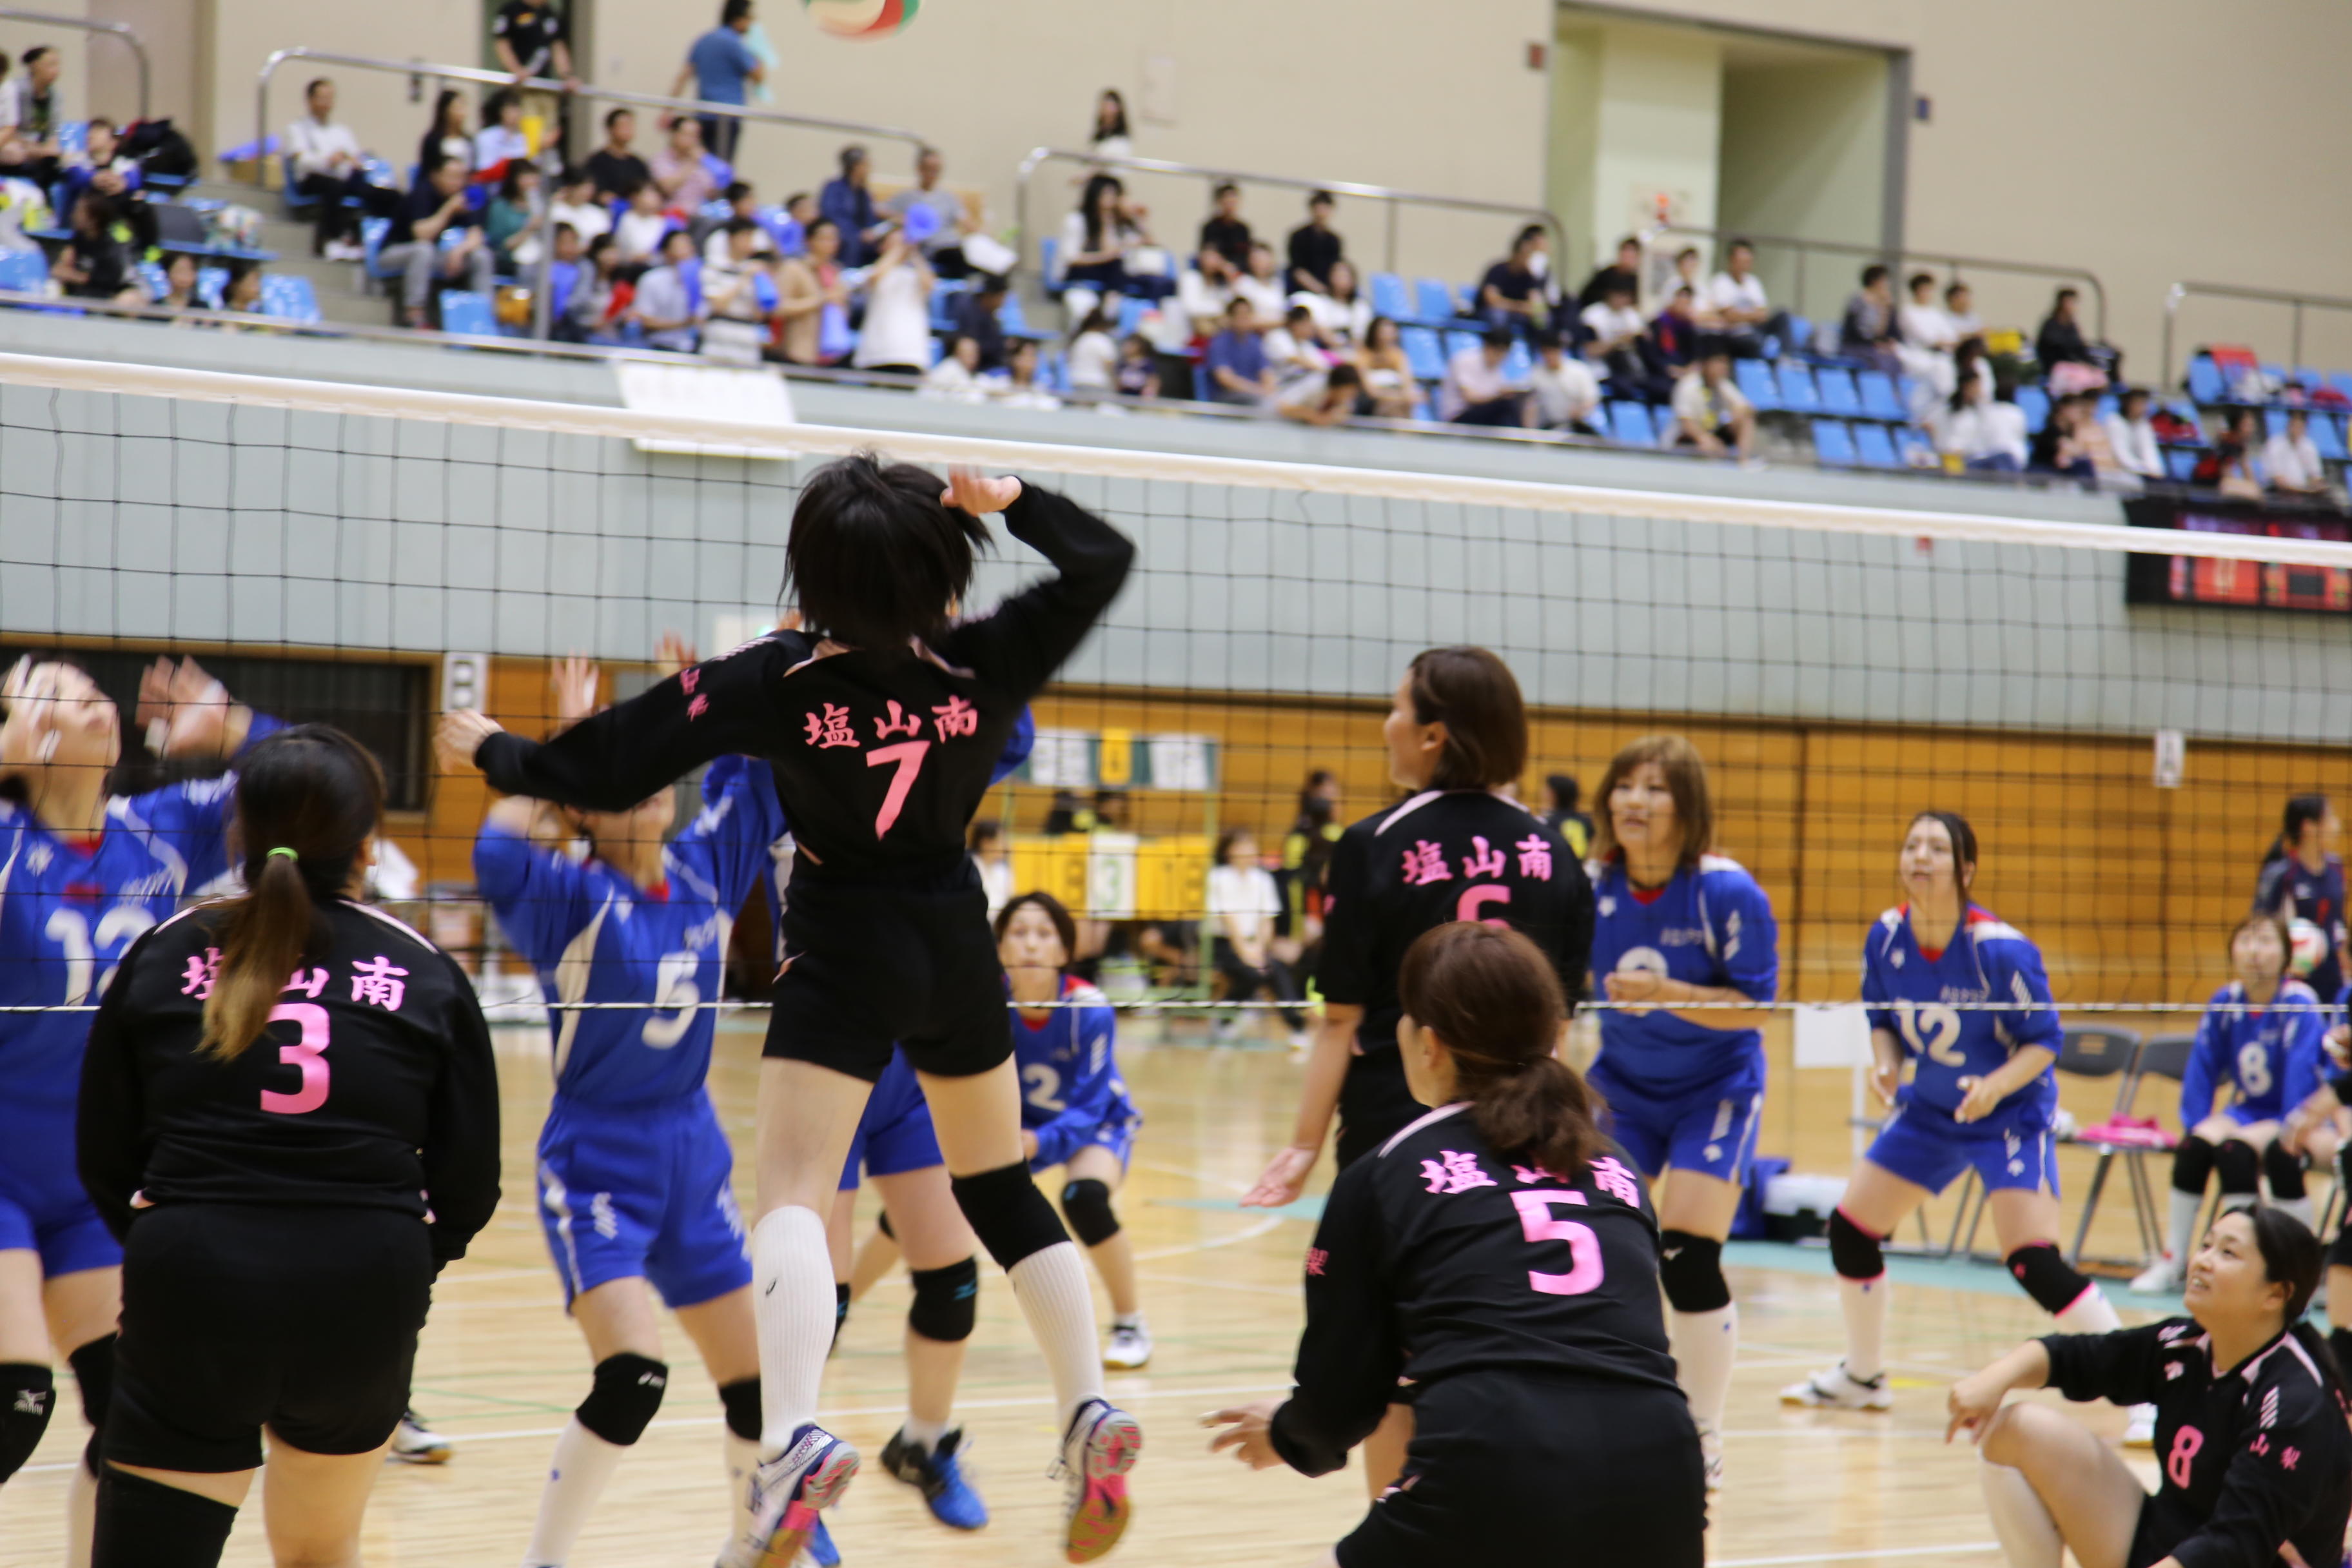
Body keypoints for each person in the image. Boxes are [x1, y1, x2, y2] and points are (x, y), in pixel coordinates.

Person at [436, 458, 1141, 1567]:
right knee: (1000, 1185)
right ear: (944, 567)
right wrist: (1011, 499)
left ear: (811, 576)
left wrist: (497, 752)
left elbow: (610, 770)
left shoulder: (776, 679)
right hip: (955, 940)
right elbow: (1103, 560)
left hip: (844, 946)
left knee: (797, 1195)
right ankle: (1087, 1406)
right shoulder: (985, 656)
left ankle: (796, 1438)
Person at [74, 724, 500, 1568]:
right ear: (368, 844)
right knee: (319, 1549)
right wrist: (403, 1257)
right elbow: (470, 1182)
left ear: (237, 833)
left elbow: (102, 1152)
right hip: (364, 1287)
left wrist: (174, 1235)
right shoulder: (424, 971)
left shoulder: (166, 951)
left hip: (195, 1274)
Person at [1206, 922, 1705, 1567]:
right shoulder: (1618, 1169)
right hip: (1665, 1476)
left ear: (1429, 1044)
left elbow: (1342, 1394)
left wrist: (1289, 1434)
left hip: (1494, 1466)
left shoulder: (1385, 1172)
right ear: (1551, 1038)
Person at [1242, 646, 1596, 1498]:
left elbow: (1341, 1019)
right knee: (1504, 1340)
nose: (1387, 724)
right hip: (1525, 1128)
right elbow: (1556, 1031)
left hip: (1397, 1129)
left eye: (1398, 708)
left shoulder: (1372, 845)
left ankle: (1398, 1529)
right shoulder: (1557, 854)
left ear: (1434, 735)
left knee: (1395, 1366)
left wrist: (1302, 1143)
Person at [455, 654, 770, 1568]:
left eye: (653, 766)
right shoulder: (571, 898)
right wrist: (558, 751)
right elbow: (496, 853)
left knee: (759, 1387)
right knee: (633, 1379)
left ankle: (750, 1547)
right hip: (599, 1156)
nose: (649, 782)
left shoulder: (709, 867)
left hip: (693, 1151)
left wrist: (717, 697)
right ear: (585, 809)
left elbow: (759, 778)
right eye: (619, 776)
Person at [0, 656, 281, 1559]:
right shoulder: (5, 845)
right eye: (60, 696)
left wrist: (229, 724)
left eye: (94, 692)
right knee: (14, 1401)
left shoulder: (158, 832)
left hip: (89, 1178)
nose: (94, 704)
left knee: (133, 1413)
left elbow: (310, 787)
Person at [1783, 813, 2154, 1446]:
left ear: (1966, 870)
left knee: (2032, 1260)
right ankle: (1864, 1376)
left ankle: (2144, 1387)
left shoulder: (2000, 949)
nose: (1920, 856)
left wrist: (1994, 1087)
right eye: (1912, 845)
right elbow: (1882, 1018)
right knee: (1851, 1230)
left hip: (2008, 1114)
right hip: (1930, 1111)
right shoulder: (1886, 936)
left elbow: (2044, 1041)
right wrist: (1886, 1065)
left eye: (1937, 847)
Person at [1582, 733, 1778, 1487]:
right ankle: (1599, 1404)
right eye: (1625, 784)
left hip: (1714, 1089)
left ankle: (1701, 1430)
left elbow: (1756, 1008)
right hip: (1622, 1087)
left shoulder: (1727, 891)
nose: (1635, 800)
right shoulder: (1591, 886)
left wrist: (1669, 994)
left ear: (1687, 805)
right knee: (1592, 1240)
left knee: (1688, 1256)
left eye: (1655, 787)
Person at [1950, 1207, 2349, 1568]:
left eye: (2228, 1253)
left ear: (2276, 1294)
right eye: (2206, 1245)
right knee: (2016, 1430)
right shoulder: (2185, 1344)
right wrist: (1992, 1380)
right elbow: (2078, 1356)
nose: (2203, 1261)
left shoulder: (2295, 1402)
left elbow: (2236, 1542)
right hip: (2165, 1544)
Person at [827, 1048, 991, 1533]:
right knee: (818, 1302)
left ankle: (920, 1446)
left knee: (952, 1282)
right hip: (826, 1062)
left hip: (913, 1069)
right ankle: (783, 1474)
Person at [2130, 914, 2328, 1300]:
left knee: (2235, 1151)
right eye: (2246, 941)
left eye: (2266, 941)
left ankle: (2254, 1265)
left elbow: (2303, 1075)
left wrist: (2290, 1128)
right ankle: (2173, 1261)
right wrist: (2195, 1122)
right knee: (2194, 1147)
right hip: (2247, 1109)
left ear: (2286, 954)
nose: (2255, 952)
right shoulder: (2226, 1001)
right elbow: (2202, 1067)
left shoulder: (2299, 1002)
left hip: (2290, 1112)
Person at [1205, 831, 1308, 1046]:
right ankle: (1225, 1019)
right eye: (1243, 846)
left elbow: (1267, 920)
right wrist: (1245, 953)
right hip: (1224, 944)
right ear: (1229, 851)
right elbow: (1229, 920)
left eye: (1251, 846)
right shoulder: (1218, 877)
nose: (1249, 851)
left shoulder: (1262, 879)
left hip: (1256, 944)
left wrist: (1259, 950)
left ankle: (1297, 1027)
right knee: (1252, 974)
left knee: (1275, 969)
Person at [382, 153, 493, 329]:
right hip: (394, 253)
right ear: (436, 176)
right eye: (452, 177)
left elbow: (476, 236)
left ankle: (484, 315)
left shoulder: (467, 197)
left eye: (461, 177)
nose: (457, 182)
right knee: (423, 250)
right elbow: (422, 235)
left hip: (440, 256)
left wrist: (459, 251)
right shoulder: (422, 193)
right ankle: (414, 314)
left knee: (481, 256)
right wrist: (448, 209)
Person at [2254, 794, 2344, 1008]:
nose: (2337, 825)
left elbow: (2338, 921)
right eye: (2329, 818)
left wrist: (2344, 956)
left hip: (2331, 973)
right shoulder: (2281, 874)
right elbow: (2260, 922)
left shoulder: (2336, 867)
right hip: (2292, 973)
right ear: (2309, 827)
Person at [284, 79, 377, 259]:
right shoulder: (297, 129)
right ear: (310, 100)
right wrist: (328, 161)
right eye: (322, 98)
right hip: (312, 180)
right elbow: (302, 161)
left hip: (341, 178)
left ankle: (369, 242)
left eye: (330, 98)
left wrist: (349, 162)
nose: (326, 103)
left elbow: (354, 159)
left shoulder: (342, 131)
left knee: (377, 193)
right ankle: (332, 240)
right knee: (333, 187)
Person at [675, 0, 765, 164]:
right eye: (749, 19)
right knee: (720, 169)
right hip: (726, 118)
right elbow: (758, 77)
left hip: (702, 116)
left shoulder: (704, 40)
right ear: (739, 19)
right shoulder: (734, 44)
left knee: (701, 166)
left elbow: (684, 76)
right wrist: (759, 48)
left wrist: (668, 109)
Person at [491, 0, 578, 161]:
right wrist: (516, 70)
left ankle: (544, 168)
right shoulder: (511, 11)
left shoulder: (550, 14)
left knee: (549, 136)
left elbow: (557, 46)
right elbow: (502, 43)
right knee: (528, 135)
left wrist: (567, 76)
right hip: (522, 89)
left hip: (544, 88)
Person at [850, 227, 934, 375]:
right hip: (876, 351)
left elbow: (930, 284)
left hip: (910, 353)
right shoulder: (871, 270)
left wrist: (914, 254)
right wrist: (896, 251)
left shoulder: (914, 275)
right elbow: (874, 278)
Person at [1059, 172, 1141, 325]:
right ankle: (1109, 314)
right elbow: (1071, 257)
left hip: (1108, 272)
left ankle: (1112, 309)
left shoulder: (1116, 223)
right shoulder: (1077, 220)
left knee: (1154, 282)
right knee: (1115, 265)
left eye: (1115, 195)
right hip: (1080, 270)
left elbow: (1133, 244)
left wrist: (1129, 218)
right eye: (1107, 194)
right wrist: (1106, 256)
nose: (1111, 199)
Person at [884, 146, 971, 279]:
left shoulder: (949, 198)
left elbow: (966, 221)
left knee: (969, 254)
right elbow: (881, 211)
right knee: (955, 258)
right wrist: (902, 219)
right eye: (929, 169)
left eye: (937, 170)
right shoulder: (906, 198)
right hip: (928, 248)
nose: (933, 174)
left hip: (953, 246)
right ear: (919, 169)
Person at [773, 216, 850, 366]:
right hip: (798, 351)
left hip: (829, 355)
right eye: (825, 239)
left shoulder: (835, 272)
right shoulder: (794, 268)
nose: (831, 244)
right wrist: (820, 300)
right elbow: (778, 307)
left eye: (834, 239)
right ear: (809, 241)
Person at [702, 220, 778, 366]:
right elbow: (718, 306)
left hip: (748, 333)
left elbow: (761, 313)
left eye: (751, 237)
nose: (749, 242)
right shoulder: (714, 266)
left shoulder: (757, 270)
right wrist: (744, 278)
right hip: (721, 332)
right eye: (745, 236)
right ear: (731, 238)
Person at [50, 193, 140, 304]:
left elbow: (105, 282)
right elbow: (59, 269)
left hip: (109, 298)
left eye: (79, 211)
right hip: (81, 295)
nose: (73, 215)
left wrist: (73, 275)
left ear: (94, 220)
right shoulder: (79, 238)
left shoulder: (111, 249)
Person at [1671, 346, 1756, 462]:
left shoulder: (1722, 385)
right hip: (1687, 439)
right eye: (1719, 362)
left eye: (1726, 363)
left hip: (1712, 433)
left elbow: (1747, 407)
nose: (1724, 367)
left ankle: (1744, 460)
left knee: (1746, 419)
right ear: (1706, 364)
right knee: (1706, 446)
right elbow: (1686, 423)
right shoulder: (1689, 385)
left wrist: (1738, 412)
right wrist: (1705, 439)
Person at [630, 227, 703, 353]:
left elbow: (702, 317)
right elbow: (645, 320)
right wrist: (682, 324)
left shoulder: (700, 279)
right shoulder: (652, 279)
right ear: (666, 251)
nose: (686, 250)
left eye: (688, 245)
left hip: (690, 346)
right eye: (680, 246)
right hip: (656, 345)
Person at [1943, 373, 2029, 474]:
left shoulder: (1984, 411)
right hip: (1970, 461)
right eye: (1976, 386)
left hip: (1986, 459)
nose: (1979, 391)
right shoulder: (1959, 414)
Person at [1705, 239, 1778, 357]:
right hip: (1734, 334)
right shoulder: (1720, 282)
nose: (1744, 264)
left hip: (1756, 329)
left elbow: (1763, 314)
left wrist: (1742, 315)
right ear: (1732, 259)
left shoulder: (1754, 282)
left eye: (1747, 261)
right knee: (1754, 342)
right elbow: (1729, 316)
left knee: (1782, 317)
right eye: (1741, 260)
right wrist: (1753, 315)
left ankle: (1787, 357)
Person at [818, 144, 885, 270]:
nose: (869, 169)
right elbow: (832, 216)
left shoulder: (863, 193)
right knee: (851, 241)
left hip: (864, 239)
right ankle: (848, 274)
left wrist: (875, 232)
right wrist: (858, 234)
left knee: (886, 242)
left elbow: (869, 218)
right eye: (866, 165)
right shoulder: (834, 188)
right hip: (846, 237)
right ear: (856, 166)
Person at [1440, 329, 1524, 427]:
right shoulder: (1465, 361)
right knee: (1505, 405)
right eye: (1498, 352)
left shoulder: (1498, 371)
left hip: (1482, 415)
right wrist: (1498, 395)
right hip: (1459, 416)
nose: (1501, 357)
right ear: (1488, 347)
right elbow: (1470, 398)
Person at [2035, 286, 2113, 390]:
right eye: (2069, 302)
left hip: (2074, 365)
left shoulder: (2072, 326)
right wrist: (2074, 359)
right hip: (2057, 367)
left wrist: (2091, 363)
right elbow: (2055, 348)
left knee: (2099, 376)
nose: (2072, 306)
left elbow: (2080, 348)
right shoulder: (2051, 325)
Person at [1478, 224, 1549, 337]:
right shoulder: (1498, 270)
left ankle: (1539, 347)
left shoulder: (1531, 277)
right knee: (1498, 315)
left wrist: (1534, 309)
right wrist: (1520, 307)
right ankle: (1499, 345)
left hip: (1517, 315)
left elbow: (1536, 305)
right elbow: (1492, 300)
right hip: (1493, 312)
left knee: (1542, 319)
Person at [1205, 295, 1276, 406]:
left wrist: (1269, 389)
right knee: (1264, 403)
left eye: (1247, 314)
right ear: (1230, 318)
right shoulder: (1219, 343)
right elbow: (1225, 379)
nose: (1244, 318)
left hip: (1255, 394)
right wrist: (1258, 391)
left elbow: (1266, 372)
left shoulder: (1255, 342)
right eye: (1240, 315)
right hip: (1227, 397)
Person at [1580, 281, 1650, 393]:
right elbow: (1590, 351)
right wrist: (1618, 341)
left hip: (1629, 366)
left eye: (1626, 296)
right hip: (1602, 369)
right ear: (1610, 295)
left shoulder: (1631, 315)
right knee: (1625, 388)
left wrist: (1639, 338)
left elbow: (1646, 341)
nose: (1623, 300)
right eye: (1620, 296)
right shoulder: (1592, 316)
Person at [651, 115, 720, 218]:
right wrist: (691, 162)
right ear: (674, 134)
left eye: (695, 136)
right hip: (671, 215)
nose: (692, 140)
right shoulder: (661, 160)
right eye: (687, 135)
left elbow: (712, 193)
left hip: (698, 215)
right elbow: (667, 188)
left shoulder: (702, 162)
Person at [1838, 264, 1899, 373]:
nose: (1886, 285)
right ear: (1874, 281)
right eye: (1884, 281)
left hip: (1875, 346)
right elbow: (1854, 331)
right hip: (1857, 345)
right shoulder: (1858, 301)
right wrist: (1874, 343)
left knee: (1896, 361)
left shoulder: (1885, 304)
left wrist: (1886, 311)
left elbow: (1890, 332)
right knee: (1880, 361)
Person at [1353, 316, 1418, 420]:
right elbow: (1370, 391)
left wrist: (1405, 397)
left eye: (1391, 333)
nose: (1387, 337)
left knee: (1402, 407)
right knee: (1393, 406)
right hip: (1371, 403)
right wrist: (1398, 397)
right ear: (1374, 333)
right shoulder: (1363, 355)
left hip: (1396, 400)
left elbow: (1408, 385)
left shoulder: (1399, 355)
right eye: (1383, 333)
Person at [1294, 257, 1368, 347]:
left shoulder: (1360, 306)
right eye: (1338, 276)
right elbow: (1323, 333)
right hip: (1324, 349)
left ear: (1353, 280)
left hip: (1351, 349)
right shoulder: (1321, 302)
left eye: (1345, 276)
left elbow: (1359, 338)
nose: (1341, 280)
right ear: (1330, 277)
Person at [2028, 393, 2097, 485]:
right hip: (2043, 471)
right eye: (2076, 410)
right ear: (2064, 409)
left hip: (2058, 472)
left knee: (2084, 465)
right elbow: (2065, 450)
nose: (2079, 414)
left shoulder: (2072, 432)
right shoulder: (2052, 430)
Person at [1285, 190, 1342, 297]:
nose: (1322, 213)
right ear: (1312, 209)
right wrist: (1320, 290)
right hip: (1302, 291)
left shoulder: (1334, 240)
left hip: (1328, 292)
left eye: (1325, 209)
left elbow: (1336, 268)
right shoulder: (1299, 236)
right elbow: (1298, 271)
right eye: (1319, 208)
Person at [584, 108, 649, 201]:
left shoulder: (638, 164)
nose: (628, 130)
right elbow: (595, 191)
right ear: (611, 129)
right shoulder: (597, 161)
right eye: (623, 126)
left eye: (630, 125)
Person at [1275, 362, 1364, 427]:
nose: (1351, 396)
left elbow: (1343, 412)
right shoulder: (1314, 384)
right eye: (1350, 392)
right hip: (1278, 423)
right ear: (1340, 387)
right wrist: (1313, 416)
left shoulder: (1345, 400)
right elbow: (1283, 407)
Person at [2264, 408, 2329, 497]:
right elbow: (2278, 481)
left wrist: (2318, 487)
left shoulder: (2309, 446)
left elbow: (2316, 476)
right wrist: (2305, 491)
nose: (2296, 429)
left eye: (2300, 425)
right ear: (2289, 425)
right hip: (2279, 493)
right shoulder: (2275, 444)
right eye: (2294, 424)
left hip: (2305, 494)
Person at [2104, 387, 2164, 482]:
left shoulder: (2143, 424)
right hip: (2121, 473)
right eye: (2139, 403)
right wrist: (2145, 470)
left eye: (2144, 403)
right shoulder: (2115, 422)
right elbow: (2122, 457)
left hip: (2143, 473)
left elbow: (2149, 450)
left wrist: (2156, 471)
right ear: (2128, 404)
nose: (2143, 408)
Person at [954, 273, 1010, 373]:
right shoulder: (970, 312)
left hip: (993, 368)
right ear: (991, 295)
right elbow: (970, 345)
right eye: (1001, 297)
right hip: (977, 369)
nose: (1003, 302)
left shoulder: (992, 315)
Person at [473, 89, 532, 184]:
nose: (515, 114)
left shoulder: (522, 137)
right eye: (510, 110)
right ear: (501, 112)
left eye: (517, 110)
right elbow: (483, 170)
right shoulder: (486, 136)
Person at [416, 89, 473, 182]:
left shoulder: (468, 140)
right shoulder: (433, 140)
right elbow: (427, 171)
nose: (462, 113)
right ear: (445, 111)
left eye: (463, 107)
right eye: (457, 108)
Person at [1578, 234, 1644, 311]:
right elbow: (1586, 297)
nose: (1627, 258)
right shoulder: (1606, 275)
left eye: (1632, 256)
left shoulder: (1637, 281)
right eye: (1625, 253)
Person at [1197, 182, 1251, 273]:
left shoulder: (1243, 229)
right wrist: (1223, 266)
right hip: (1214, 273)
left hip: (1237, 273)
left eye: (1233, 201)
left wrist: (1234, 268)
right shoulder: (1210, 227)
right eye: (1227, 200)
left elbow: (1245, 256)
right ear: (1220, 202)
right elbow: (1208, 252)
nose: (1230, 204)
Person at [1066, 302, 1119, 392]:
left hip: (1076, 381)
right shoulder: (1102, 340)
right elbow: (1109, 364)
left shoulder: (1080, 339)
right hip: (1096, 382)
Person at [920, 333, 986, 403]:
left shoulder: (980, 377)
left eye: (974, 353)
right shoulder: (948, 369)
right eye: (967, 353)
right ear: (957, 353)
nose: (972, 358)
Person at [1541, 772, 1592, 858]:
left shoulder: (1547, 823)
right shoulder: (1587, 821)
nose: (1542, 792)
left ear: (1552, 794)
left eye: (1546, 790)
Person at [970, 822, 1014, 918]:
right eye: (1001, 841)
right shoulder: (969, 868)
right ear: (986, 843)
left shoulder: (1003, 870)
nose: (1006, 846)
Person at [1087, 89, 1132, 162]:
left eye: (1110, 105)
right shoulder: (1101, 134)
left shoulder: (1121, 140)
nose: (1106, 109)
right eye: (1104, 105)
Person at [1114, 333, 1159, 398]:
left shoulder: (1146, 364)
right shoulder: (1123, 363)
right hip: (1123, 394)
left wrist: (1150, 393)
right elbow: (1118, 378)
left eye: (1131, 345)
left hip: (1139, 396)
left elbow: (1153, 380)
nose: (1126, 347)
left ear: (1140, 347)